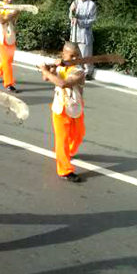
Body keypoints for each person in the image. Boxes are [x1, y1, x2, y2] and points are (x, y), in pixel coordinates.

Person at [40, 42, 87, 182]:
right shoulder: (60, 66)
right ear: (63, 55)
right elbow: (45, 78)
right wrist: (52, 68)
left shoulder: (79, 70)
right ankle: (65, 170)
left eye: (76, 56)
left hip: (75, 107)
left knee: (79, 134)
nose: (74, 59)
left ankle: (68, 152)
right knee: (62, 140)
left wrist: (46, 70)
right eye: (71, 56)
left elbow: (63, 84)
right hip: (60, 109)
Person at [69, 0, 97, 79]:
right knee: (76, 54)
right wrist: (71, 11)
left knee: (86, 54)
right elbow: (70, 16)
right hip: (75, 33)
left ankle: (88, 72)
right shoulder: (75, 2)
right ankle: (79, 71)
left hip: (85, 33)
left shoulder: (91, 4)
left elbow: (92, 20)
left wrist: (80, 21)